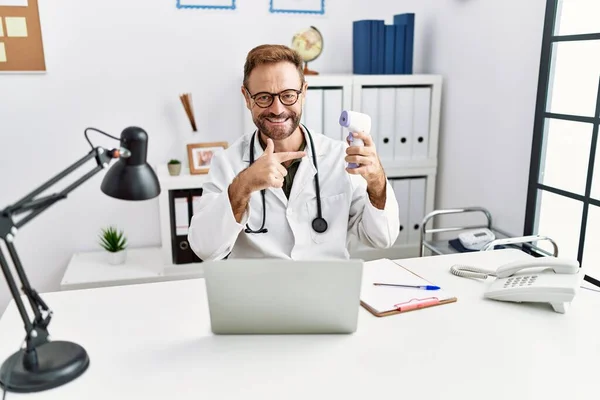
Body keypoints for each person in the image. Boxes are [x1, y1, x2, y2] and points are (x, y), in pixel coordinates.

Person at [188, 44, 399, 260]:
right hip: (258, 292)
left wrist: (377, 183)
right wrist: (243, 185)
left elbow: (382, 238)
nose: (277, 109)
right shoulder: (227, 163)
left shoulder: (339, 157)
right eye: (263, 97)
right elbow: (206, 249)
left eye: (288, 95)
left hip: (324, 288)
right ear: (247, 97)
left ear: (303, 93)